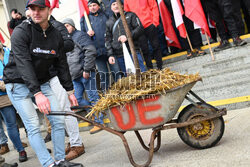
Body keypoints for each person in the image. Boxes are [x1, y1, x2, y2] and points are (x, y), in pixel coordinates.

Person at [3, 0, 83, 167]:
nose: (36, 12)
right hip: (17, 83)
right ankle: (48, 164)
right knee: (33, 125)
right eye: (32, 9)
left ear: (49, 9)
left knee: (58, 120)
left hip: (42, 80)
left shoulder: (55, 34)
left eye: (41, 8)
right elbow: (24, 64)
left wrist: (69, 91)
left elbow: (61, 63)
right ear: (28, 11)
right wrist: (37, 93)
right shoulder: (20, 32)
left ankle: (60, 160)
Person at [62, 18, 104, 134]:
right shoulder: (65, 40)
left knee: (93, 96)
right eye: (64, 26)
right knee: (78, 100)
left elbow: (90, 51)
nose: (66, 28)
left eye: (67, 25)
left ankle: (99, 122)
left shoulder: (80, 36)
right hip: (74, 76)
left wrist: (87, 69)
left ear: (72, 26)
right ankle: (95, 112)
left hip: (85, 73)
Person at [80, 0, 121, 90]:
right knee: (103, 75)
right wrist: (87, 34)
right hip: (97, 53)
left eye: (94, 5)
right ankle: (106, 94)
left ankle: (121, 90)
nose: (92, 7)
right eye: (90, 6)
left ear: (98, 6)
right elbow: (83, 37)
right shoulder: (84, 19)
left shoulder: (106, 14)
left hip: (110, 50)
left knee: (116, 72)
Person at [0, 42, 27, 162]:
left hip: (19, 88)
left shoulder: (9, 51)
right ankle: (21, 150)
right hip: (3, 96)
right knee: (11, 123)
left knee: (28, 120)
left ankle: (39, 146)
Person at [106, 0, 146, 75]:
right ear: (111, 7)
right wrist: (110, 54)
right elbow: (108, 40)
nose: (116, 6)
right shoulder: (109, 22)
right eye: (113, 4)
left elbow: (140, 29)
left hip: (133, 51)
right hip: (120, 55)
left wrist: (128, 37)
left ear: (122, 5)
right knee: (129, 79)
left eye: (118, 3)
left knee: (142, 75)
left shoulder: (131, 15)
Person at [124, 0, 163, 70]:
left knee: (156, 46)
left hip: (149, 24)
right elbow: (127, 14)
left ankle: (160, 67)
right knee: (145, 50)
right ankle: (150, 69)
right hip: (138, 27)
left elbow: (153, 6)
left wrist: (155, 22)